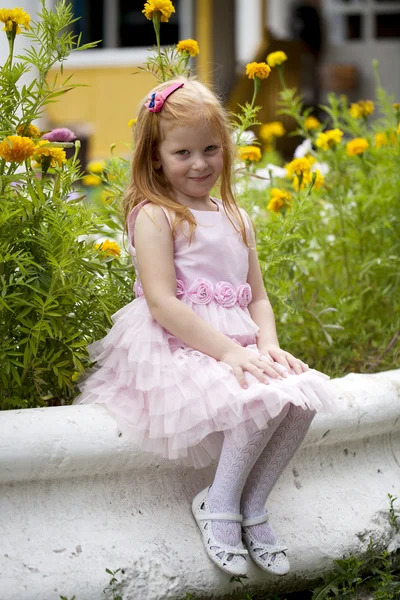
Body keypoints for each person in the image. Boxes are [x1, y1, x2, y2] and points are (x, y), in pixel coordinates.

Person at [74, 78, 338, 577]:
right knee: (252, 400)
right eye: (183, 152)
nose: (200, 163)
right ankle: (217, 504)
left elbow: (256, 295)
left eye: (211, 149)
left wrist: (268, 344)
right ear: (155, 157)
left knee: (301, 400)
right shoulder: (157, 215)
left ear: (226, 149)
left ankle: (252, 505)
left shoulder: (236, 216)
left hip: (240, 342)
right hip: (179, 344)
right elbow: (162, 303)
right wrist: (230, 353)